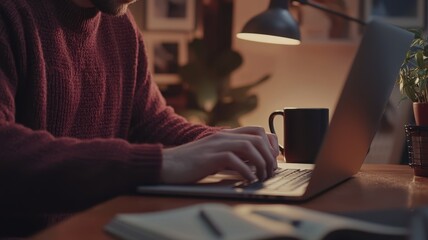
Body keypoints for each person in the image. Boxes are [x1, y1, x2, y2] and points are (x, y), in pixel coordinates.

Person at [0, 0, 279, 237]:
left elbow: (151, 121)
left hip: (95, 228)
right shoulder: (10, 13)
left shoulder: (121, 26)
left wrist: (218, 142)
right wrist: (161, 162)